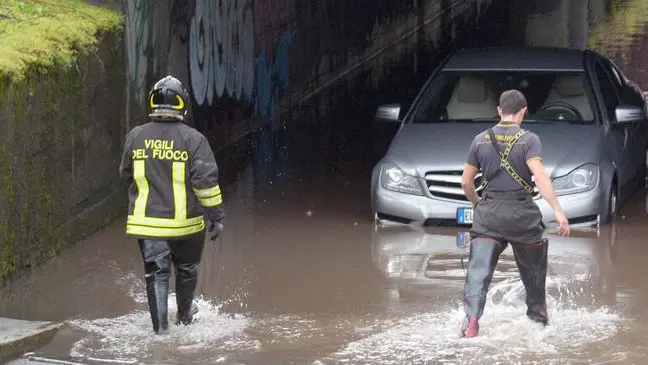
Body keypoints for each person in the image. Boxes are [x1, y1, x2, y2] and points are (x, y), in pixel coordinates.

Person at [119, 75, 225, 335]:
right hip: (186, 225)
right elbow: (206, 183)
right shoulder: (194, 140)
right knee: (187, 270)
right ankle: (185, 317)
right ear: (182, 105)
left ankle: (160, 332)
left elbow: (125, 173)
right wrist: (216, 216)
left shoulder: (135, 136)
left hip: (147, 224)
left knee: (156, 273)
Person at [459, 89, 570, 338]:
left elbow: (466, 182)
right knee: (534, 275)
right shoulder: (529, 140)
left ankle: (472, 320)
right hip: (522, 216)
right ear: (524, 111)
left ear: (499, 111)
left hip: (488, 215)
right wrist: (558, 211)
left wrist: (478, 204)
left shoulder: (479, 140)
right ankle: (538, 318)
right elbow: (540, 177)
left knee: (478, 272)